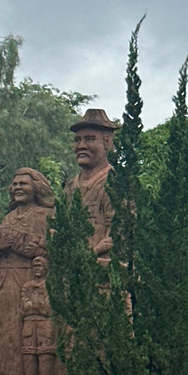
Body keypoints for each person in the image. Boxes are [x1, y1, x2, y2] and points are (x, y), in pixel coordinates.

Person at [0, 167, 56, 375]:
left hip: (26, 281)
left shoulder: (44, 216)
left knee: (20, 333)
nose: (17, 188)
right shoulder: (9, 218)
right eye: (14, 184)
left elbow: (48, 248)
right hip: (1, 282)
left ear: (37, 187)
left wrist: (15, 242)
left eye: (23, 183)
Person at [65, 109, 119, 265]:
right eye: (77, 140)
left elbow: (118, 231)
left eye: (89, 139)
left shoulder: (115, 183)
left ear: (107, 142)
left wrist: (91, 254)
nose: (81, 145)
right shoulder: (70, 187)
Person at [20, 256, 63, 375]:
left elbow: (49, 307)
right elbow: (24, 305)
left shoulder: (50, 285)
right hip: (29, 322)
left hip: (46, 323)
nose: (37, 269)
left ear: (46, 268)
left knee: (46, 353)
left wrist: (37, 305)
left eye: (40, 266)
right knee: (28, 353)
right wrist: (35, 305)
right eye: (35, 266)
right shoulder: (27, 286)